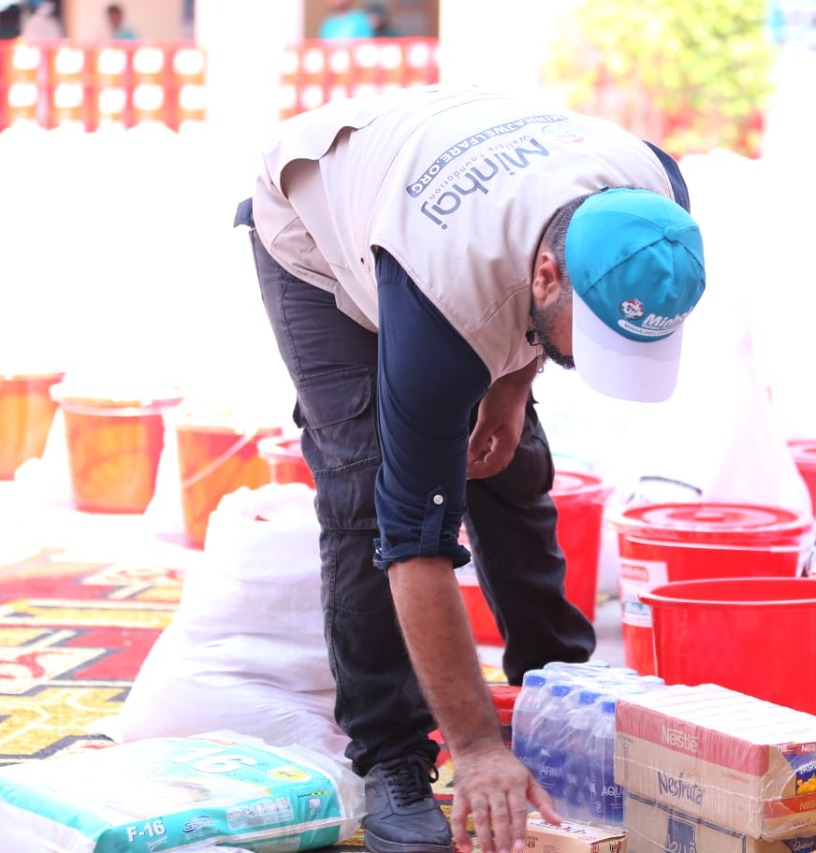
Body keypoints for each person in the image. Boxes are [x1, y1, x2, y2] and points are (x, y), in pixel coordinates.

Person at [234, 86, 704, 853]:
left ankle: (558, 687)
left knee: (507, 457)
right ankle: (392, 754)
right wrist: (478, 747)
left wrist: (513, 386)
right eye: (589, 338)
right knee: (370, 486)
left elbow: (532, 334)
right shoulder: (445, 302)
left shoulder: (656, 206)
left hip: (453, 194)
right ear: (548, 275)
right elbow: (414, 546)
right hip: (319, 224)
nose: (593, 365)